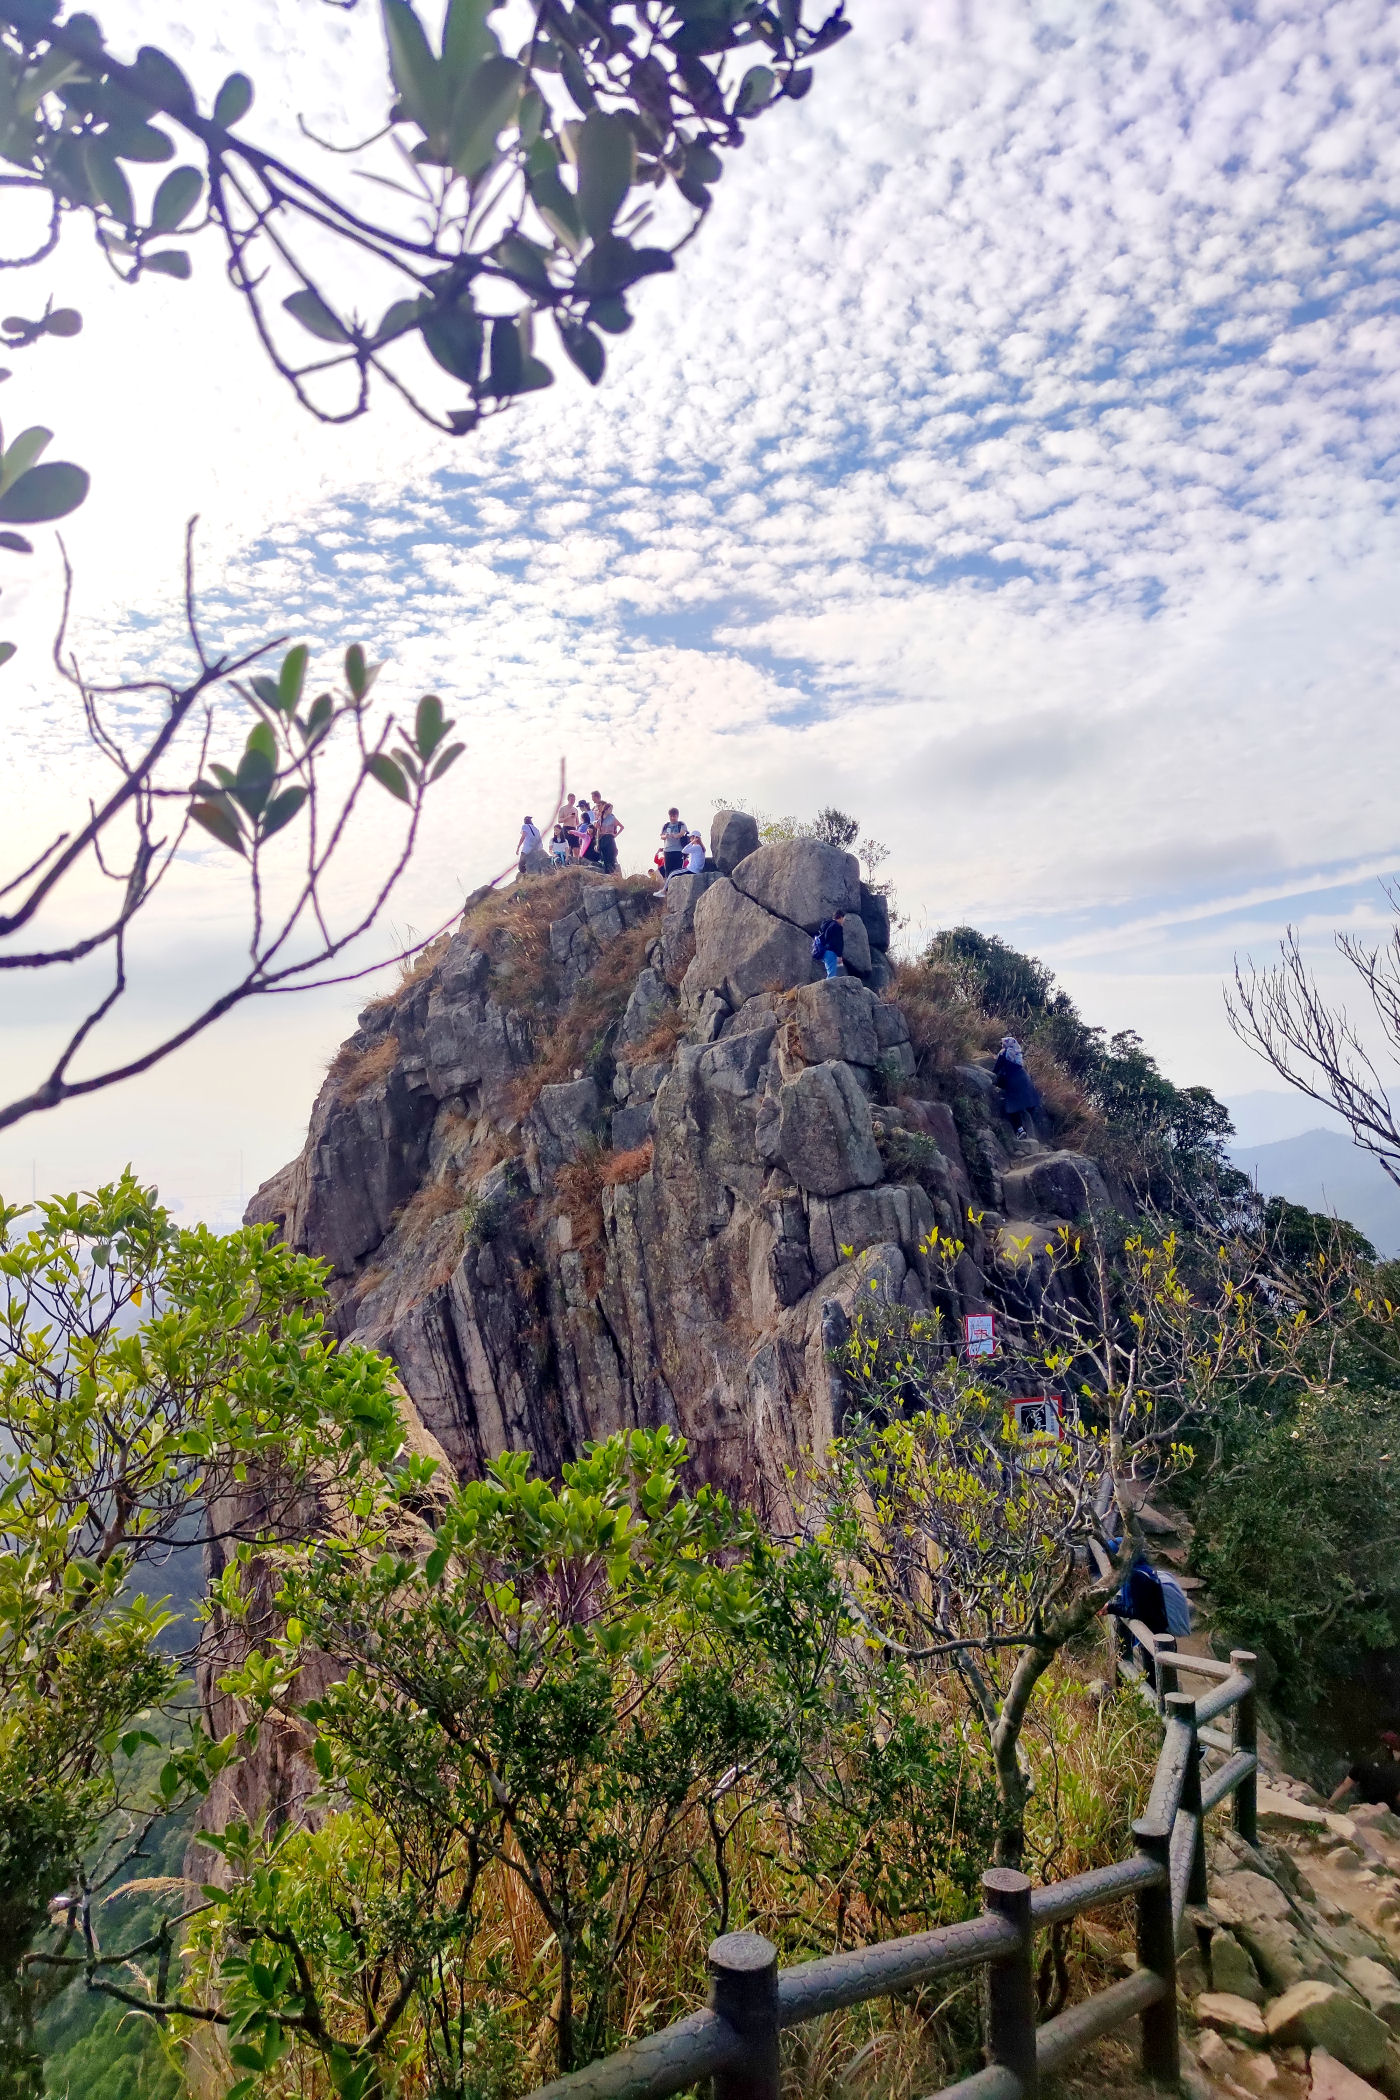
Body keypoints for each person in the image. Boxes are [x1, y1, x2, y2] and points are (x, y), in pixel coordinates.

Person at [993, 1034, 1042, 1139]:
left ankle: (1020, 1130)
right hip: (1025, 1080)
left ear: (1006, 1045)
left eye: (1003, 1044)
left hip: (1013, 1082)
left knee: (1012, 1107)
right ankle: (1029, 1123)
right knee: (1025, 1105)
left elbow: (996, 1070)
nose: (1002, 1045)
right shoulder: (1017, 1054)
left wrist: (993, 1081)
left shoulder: (1003, 1053)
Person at [813, 911, 845, 979]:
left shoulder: (827, 924)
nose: (843, 921)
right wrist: (839, 955)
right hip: (831, 952)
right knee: (831, 975)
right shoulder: (836, 926)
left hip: (824, 951)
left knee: (831, 973)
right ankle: (828, 986)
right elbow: (838, 942)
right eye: (843, 919)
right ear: (840, 917)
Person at [660, 808, 688, 877]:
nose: (672, 818)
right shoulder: (666, 825)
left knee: (677, 871)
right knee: (668, 871)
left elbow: (682, 833)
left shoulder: (681, 824)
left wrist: (674, 835)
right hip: (667, 851)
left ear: (677, 816)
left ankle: (677, 883)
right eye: (671, 816)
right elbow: (661, 836)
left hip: (678, 850)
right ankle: (668, 883)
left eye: (674, 816)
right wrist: (665, 836)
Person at [597, 801, 623, 874]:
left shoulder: (612, 818)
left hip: (610, 838)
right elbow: (598, 832)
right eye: (610, 809)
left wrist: (615, 835)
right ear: (606, 809)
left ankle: (612, 873)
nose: (611, 811)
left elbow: (621, 827)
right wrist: (597, 843)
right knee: (605, 857)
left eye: (612, 809)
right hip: (602, 839)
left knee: (611, 856)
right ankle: (607, 873)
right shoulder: (600, 819)